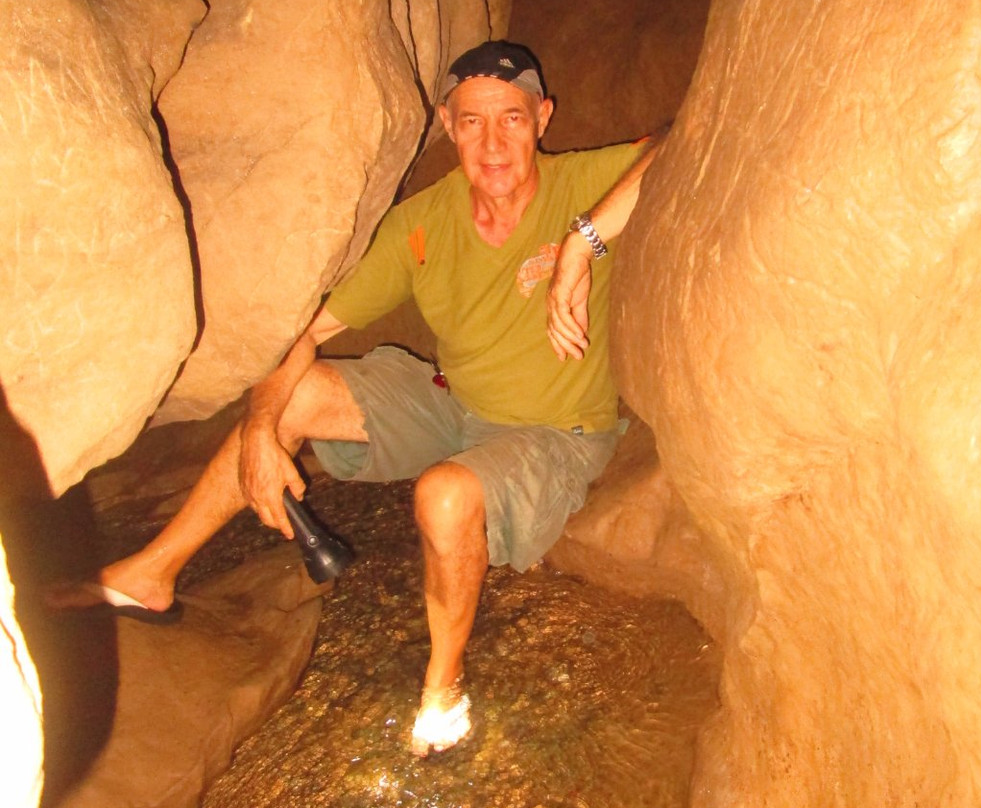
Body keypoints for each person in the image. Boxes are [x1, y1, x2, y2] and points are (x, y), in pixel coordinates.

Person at [48, 40, 660, 755]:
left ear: (542, 118)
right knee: (293, 394)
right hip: (454, 403)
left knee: (444, 496)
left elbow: (675, 142)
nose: (492, 144)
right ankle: (151, 574)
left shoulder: (580, 182)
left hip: (555, 431)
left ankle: (443, 688)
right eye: (471, 122)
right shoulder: (422, 223)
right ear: (447, 124)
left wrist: (583, 244)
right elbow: (307, 332)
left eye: (512, 119)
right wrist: (260, 431)